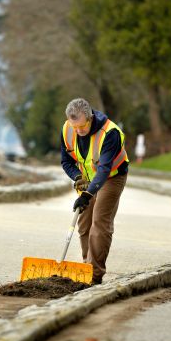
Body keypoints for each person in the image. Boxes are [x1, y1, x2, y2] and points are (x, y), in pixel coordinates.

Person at [61, 98, 129, 284]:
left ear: (90, 118)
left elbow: (104, 169)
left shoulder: (110, 133)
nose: (78, 131)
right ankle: (86, 266)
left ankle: (94, 275)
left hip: (112, 177)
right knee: (84, 224)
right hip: (88, 178)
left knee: (99, 223)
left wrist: (87, 195)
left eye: (82, 127)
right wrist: (77, 177)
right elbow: (66, 161)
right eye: (75, 127)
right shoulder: (68, 129)